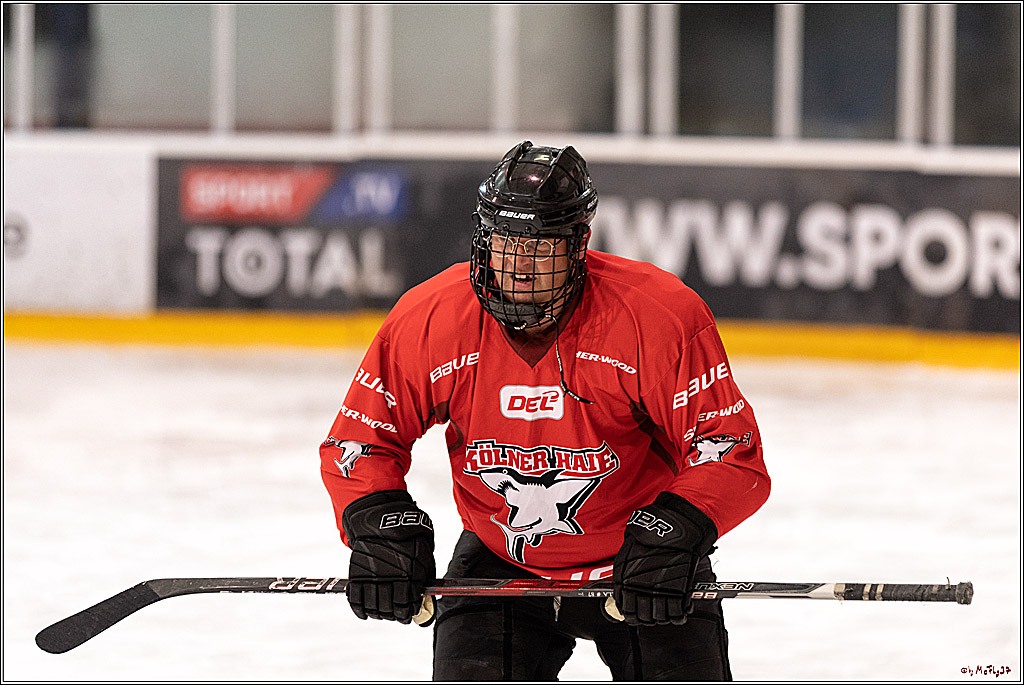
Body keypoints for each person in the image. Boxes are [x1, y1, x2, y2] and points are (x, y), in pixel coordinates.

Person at [320, 141, 770, 681]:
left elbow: (731, 453)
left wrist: (679, 528)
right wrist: (378, 520)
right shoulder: (430, 318)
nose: (519, 267)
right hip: (499, 562)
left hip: (642, 566)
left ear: (578, 243)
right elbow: (362, 442)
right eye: (505, 244)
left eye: (541, 246)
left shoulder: (656, 316)